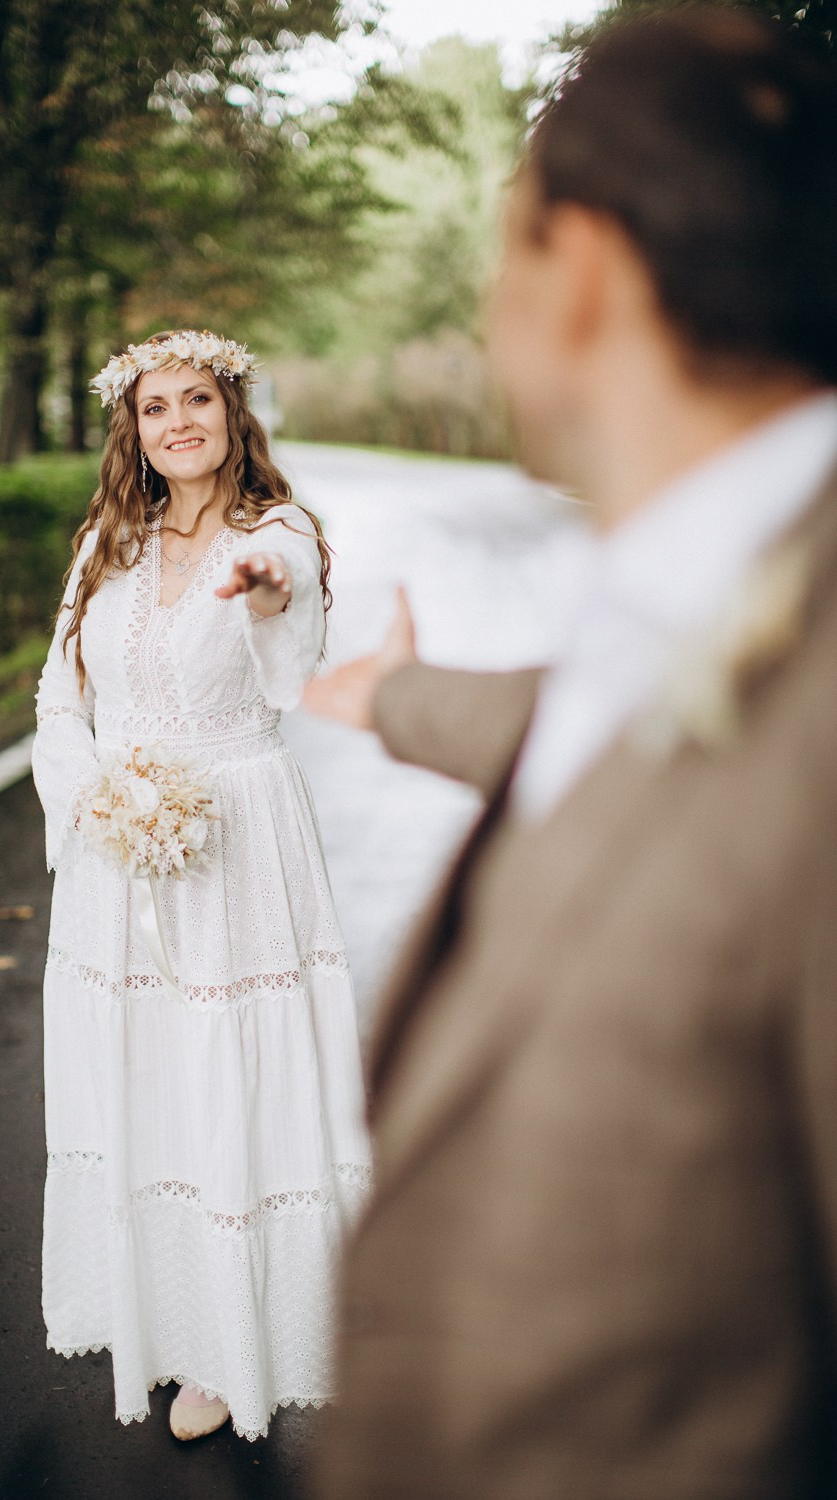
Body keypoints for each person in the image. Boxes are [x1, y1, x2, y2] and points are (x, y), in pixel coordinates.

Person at [305, 9, 837, 1497]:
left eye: (502, 258)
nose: (486, 314)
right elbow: (612, 725)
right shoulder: (712, 580)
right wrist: (396, 698)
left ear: (585, 271)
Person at [30, 329, 371, 1443]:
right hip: (114, 853)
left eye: (198, 402)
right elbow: (57, 703)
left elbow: (290, 620)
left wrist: (268, 585)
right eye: (153, 406)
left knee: (229, 1072)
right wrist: (95, 800)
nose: (177, 421)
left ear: (233, 415)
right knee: (142, 1078)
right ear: (131, 429)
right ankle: (163, 1312)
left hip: (236, 846)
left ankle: (233, 1343)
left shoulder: (278, 536)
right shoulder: (104, 545)